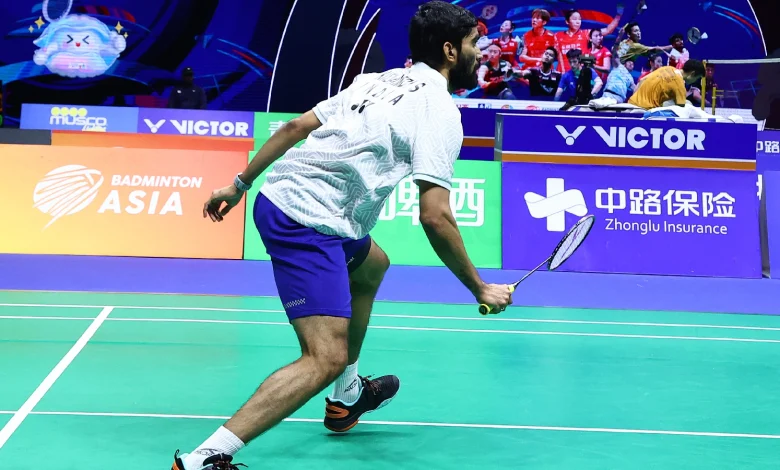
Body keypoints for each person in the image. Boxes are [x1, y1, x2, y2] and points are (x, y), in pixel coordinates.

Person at [171, 2, 514, 469]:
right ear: (451, 51)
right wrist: (480, 287)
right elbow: (435, 217)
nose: (480, 53)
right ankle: (205, 458)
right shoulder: (438, 111)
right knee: (323, 357)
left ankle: (347, 396)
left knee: (372, 265)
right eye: (474, 44)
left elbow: (295, 127)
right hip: (308, 222)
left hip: (282, 198)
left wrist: (239, 184)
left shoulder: (376, 80)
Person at [628, 59, 705, 110]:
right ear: (692, 74)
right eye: (697, 78)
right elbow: (681, 109)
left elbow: (642, 80)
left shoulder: (667, 68)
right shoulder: (680, 84)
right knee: (688, 104)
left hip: (631, 103)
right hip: (646, 110)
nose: (695, 81)